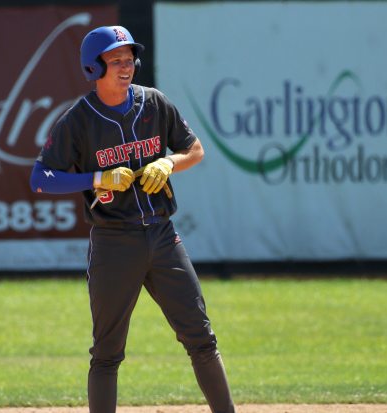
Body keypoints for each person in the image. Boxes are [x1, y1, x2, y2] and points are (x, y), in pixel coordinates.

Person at [30, 26, 236, 413]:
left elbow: (195, 150)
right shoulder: (78, 120)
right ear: (94, 68)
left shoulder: (154, 103)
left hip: (162, 236)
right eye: (116, 60)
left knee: (201, 338)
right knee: (107, 353)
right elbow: (40, 179)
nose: (126, 67)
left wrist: (169, 161)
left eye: (130, 59)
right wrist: (96, 177)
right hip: (113, 243)